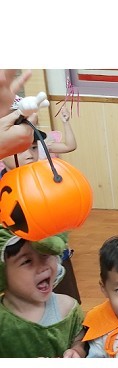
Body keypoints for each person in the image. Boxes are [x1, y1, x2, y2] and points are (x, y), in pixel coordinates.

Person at [0, 109, 82, 304]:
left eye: (34, 147)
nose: (29, 155)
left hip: (55, 257)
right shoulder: (4, 189)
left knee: (67, 303)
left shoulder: (48, 179)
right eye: (20, 149)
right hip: (21, 265)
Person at [0, 227, 85, 357]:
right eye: (27, 261)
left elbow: (80, 340)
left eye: (45, 254)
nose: (42, 267)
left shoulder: (68, 309)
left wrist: (77, 350)